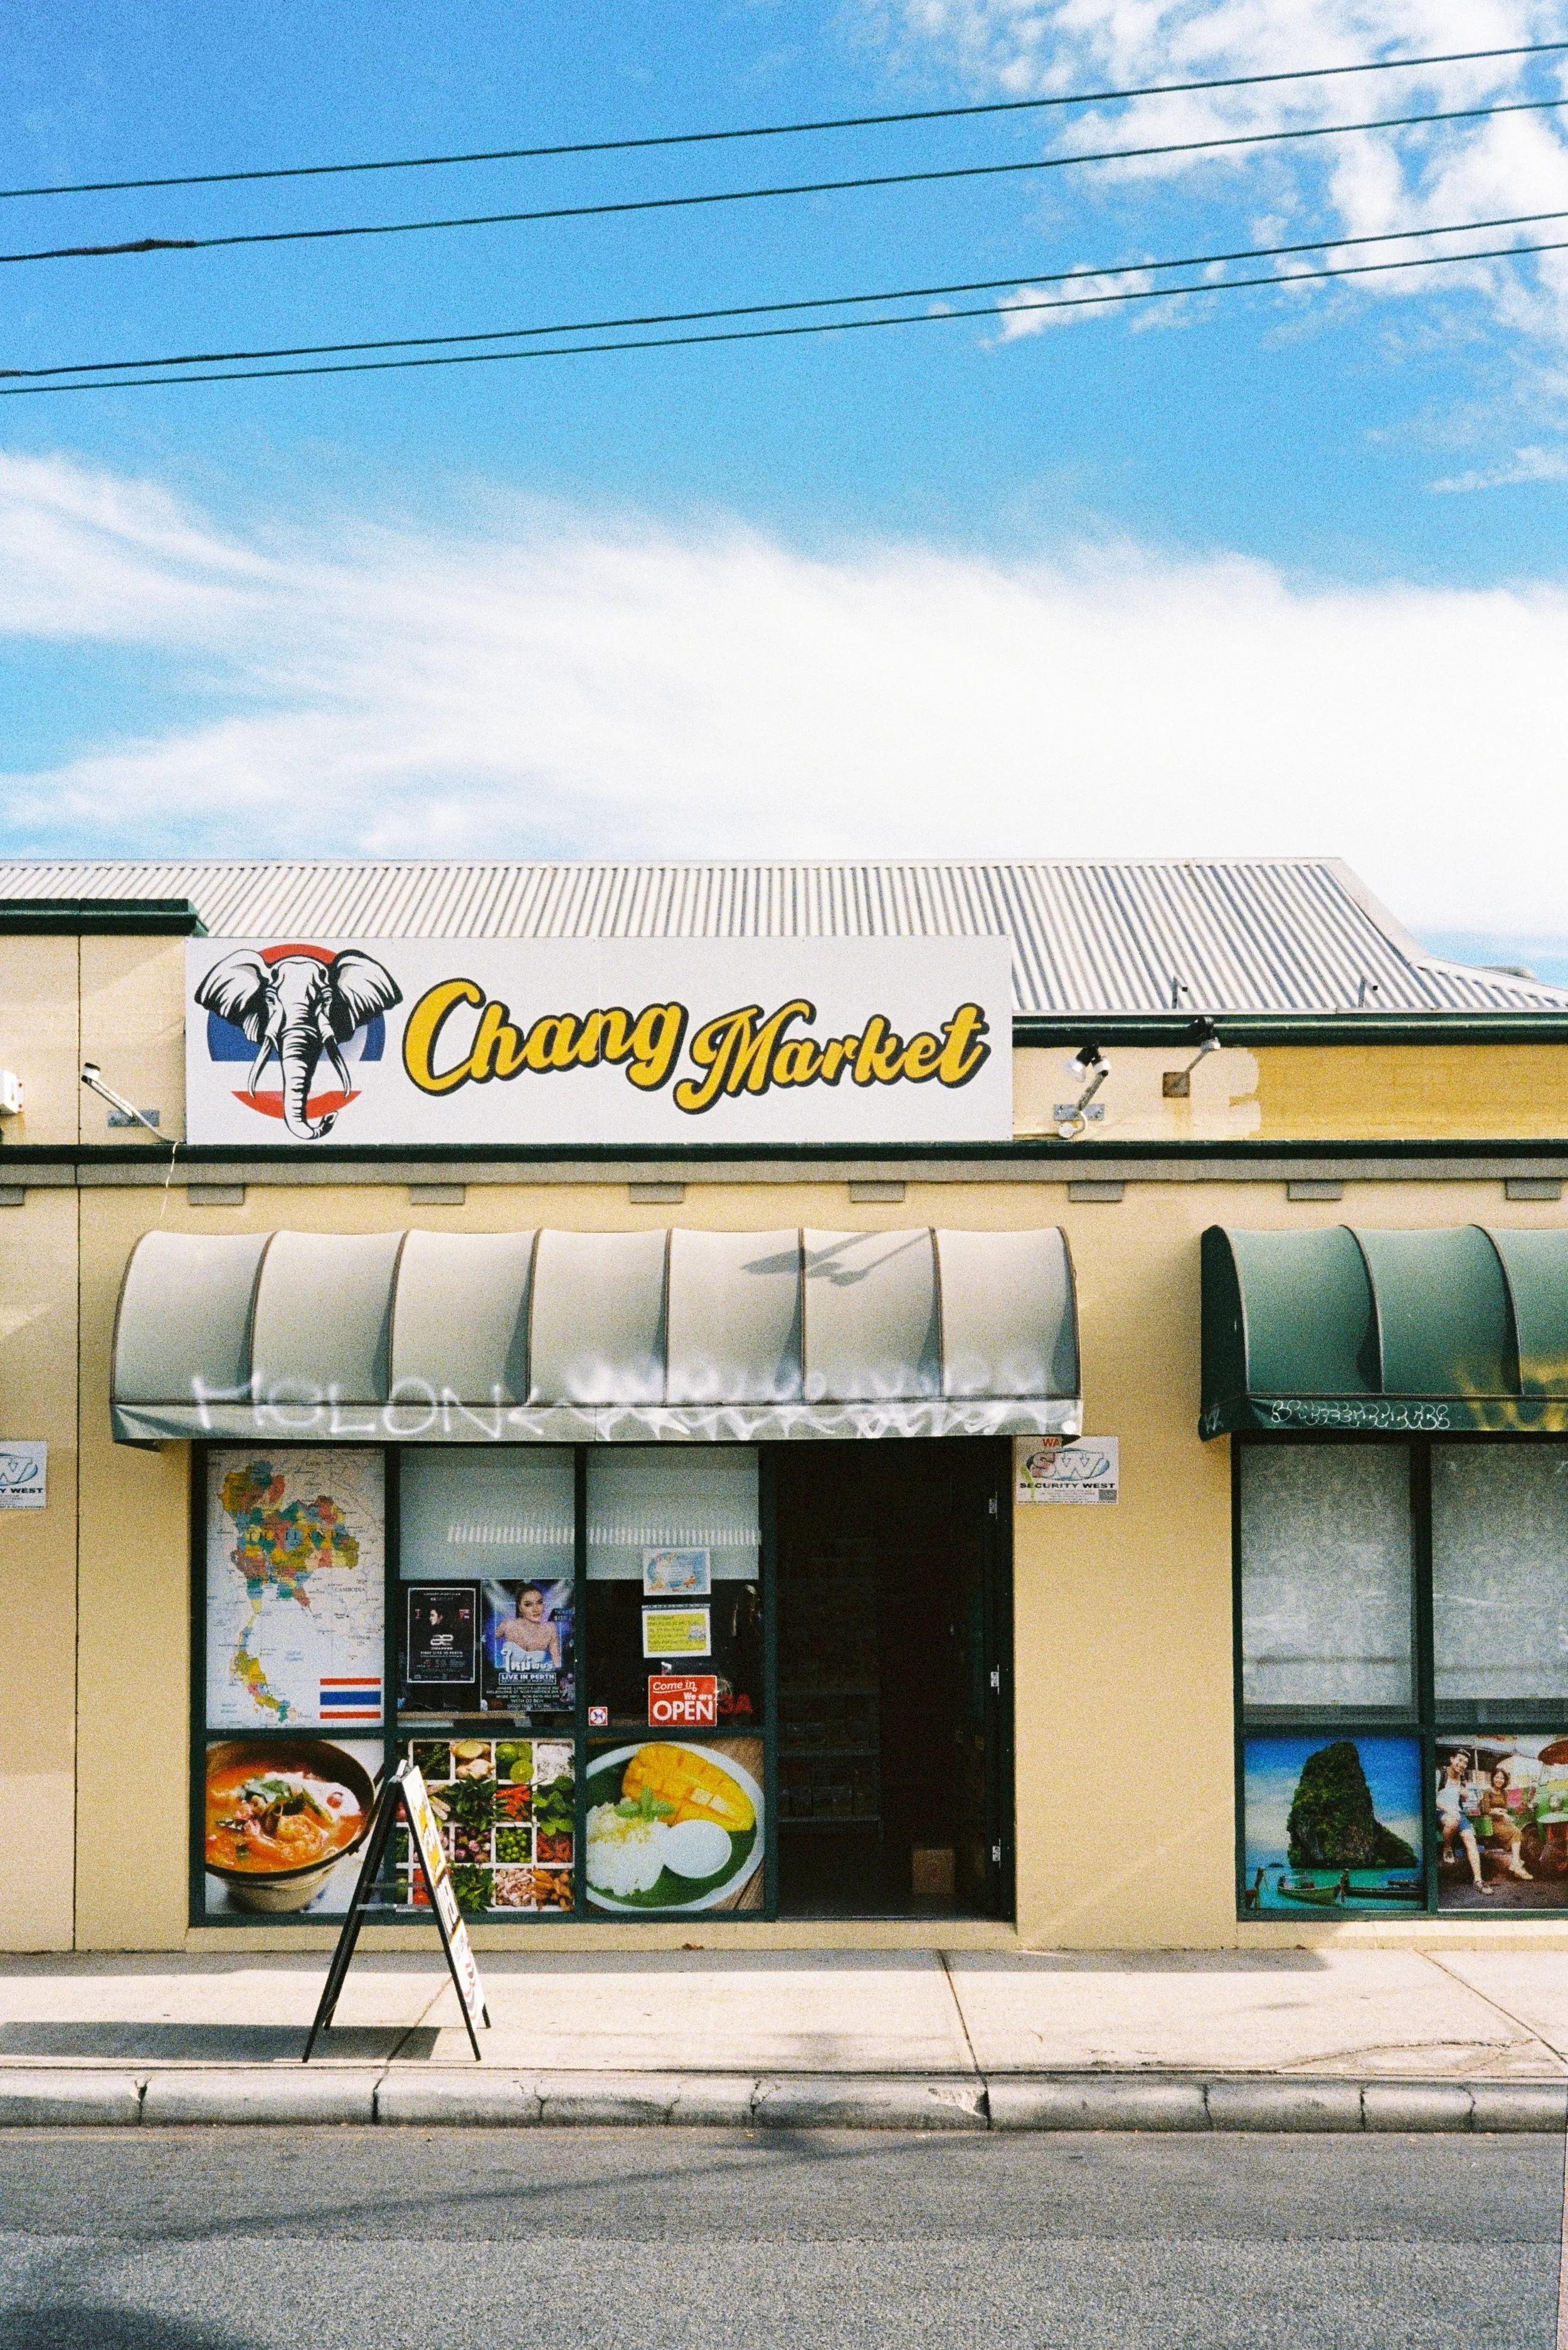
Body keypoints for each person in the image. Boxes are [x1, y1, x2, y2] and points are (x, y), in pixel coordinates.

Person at [1437, 1750, 1489, 1893]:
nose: (1462, 1765)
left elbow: (1463, 1799)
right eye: (1459, 1760)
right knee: (1453, 1821)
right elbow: (1431, 1799)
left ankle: (1478, 1880)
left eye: (1465, 1763)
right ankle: (1447, 1848)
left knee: (1470, 1839)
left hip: (1458, 1813)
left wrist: (1465, 1796)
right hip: (1440, 1811)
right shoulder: (1440, 1774)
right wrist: (1448, 1810)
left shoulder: (1463, 1778)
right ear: (1452, 1759)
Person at [495, 1584, 562, 1691]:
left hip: (538, 1687)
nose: (536, 1609)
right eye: (528, 1604)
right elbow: (485, 1641)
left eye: (539, 1603)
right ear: (520, 1607)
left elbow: (557, 1662)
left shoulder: (550, 1628)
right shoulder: (508, 1625)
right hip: (507, 1687)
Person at [1480, 1763, 1533, 1881]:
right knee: (1515, 1834)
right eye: (1497, 1777)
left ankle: (1516, 1865)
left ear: (1505, 1780)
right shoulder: (1487, 1792)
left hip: (1504, 1820)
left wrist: (1503, 1811)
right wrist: (1496, 1811)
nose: (1499, 1780)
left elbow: (1506, 1808)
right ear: (1493, 1778)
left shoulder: (1504, 1793)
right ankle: (1517, 1866)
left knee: (1518, 1832)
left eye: (1502, 1778)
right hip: (1492, 1822)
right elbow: (1485, 1810)